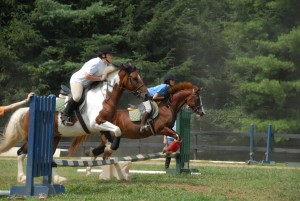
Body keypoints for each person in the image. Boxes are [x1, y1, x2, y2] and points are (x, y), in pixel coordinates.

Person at [61, 45, 117, 126]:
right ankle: (65, 116)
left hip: (86, 84)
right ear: (104, 55)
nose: (112, 56)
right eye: (110, 54)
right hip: (78, 81)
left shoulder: (105, 65)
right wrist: (101, 78)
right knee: (77, 97)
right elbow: (87, 76)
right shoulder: (96, 62)